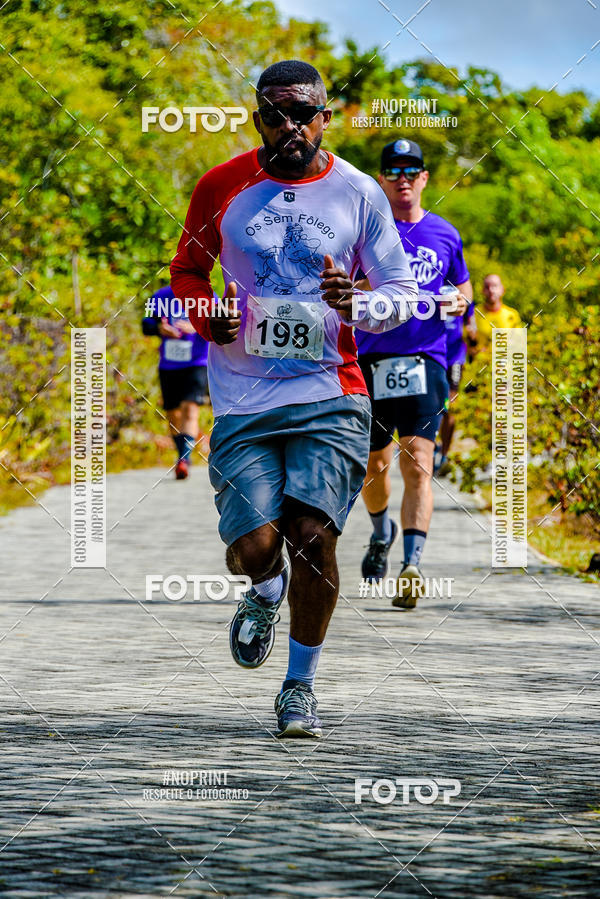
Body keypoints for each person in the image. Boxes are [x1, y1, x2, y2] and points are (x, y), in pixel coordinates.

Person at [170, 60, 418, 737]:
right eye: (275, 114)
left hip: (330, 391)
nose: (290, 126)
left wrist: (359, 303)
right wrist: (203, 314)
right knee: (256, 544)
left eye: (302, 112)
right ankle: (262, 589)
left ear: (324, 117)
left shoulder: (359, 192)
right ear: (258, 119)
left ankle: (299, 687)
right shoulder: (221, 186)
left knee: (313, 537)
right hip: (244, 395)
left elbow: (401, 291)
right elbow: (187, 269)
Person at [355, 139, 472, 608]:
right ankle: (380, 529)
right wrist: (375, 287)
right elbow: (344, 286)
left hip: (427, 357)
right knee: (375, 467)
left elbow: (463, 289)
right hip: (373, 355)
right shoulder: (366, 231)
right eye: (393, 170)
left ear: (424, 178)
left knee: (418, 462)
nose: (403, 178)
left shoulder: (446, 233)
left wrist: (459, 300)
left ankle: (412, 564)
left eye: (412, 170)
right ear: (382, 179)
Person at [142, 284, 210, 480]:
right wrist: (159, 328)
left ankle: (183, 459)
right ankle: (182, 455)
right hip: (169, 365)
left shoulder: (207, 294)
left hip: (197, 362)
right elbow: (145, 323)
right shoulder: (159, 295)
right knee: (173, 414)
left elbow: (219, 320)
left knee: (190, 409)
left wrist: (197, 326)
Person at [435, 299, 477, 475]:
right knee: (433, 405)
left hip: (454, 358)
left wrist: (471, 333)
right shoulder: (430, 285)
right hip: (432, 354)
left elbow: (471, 324)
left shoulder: (461, 294)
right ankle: (432, 444)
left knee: (450, 406)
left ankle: (444, 455)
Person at [474, 274, 522, 345]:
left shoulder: (512, 315)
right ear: (482, 290)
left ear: (503, 290)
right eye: (487, 287)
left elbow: (519, 344)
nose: (491, 290)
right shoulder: (473, 314)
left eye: (495, 286)